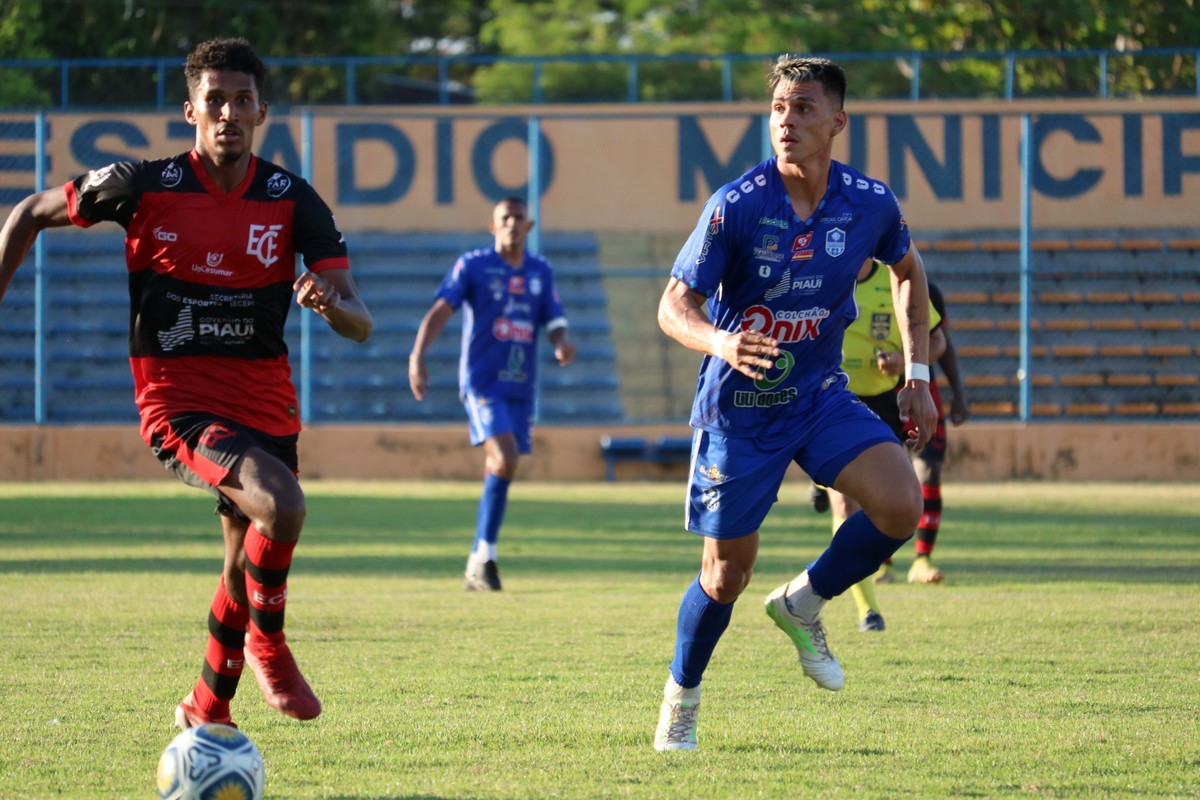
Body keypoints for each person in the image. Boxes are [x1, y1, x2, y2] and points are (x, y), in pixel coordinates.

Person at [0, 37, 373, 730]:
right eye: (214, 100)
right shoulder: (142, 185)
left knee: (241, 564)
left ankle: (207, 708)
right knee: (282, 505)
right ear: (190, 111)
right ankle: (270, 641)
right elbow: (28, 213)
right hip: (180, 404)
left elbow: (360, 321)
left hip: (267, 406)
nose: (228, 112)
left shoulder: (293, 200)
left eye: (241, 100)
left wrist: (329, 302)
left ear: (261, 111)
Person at [652, 54, 938, 752]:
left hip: (817, 395)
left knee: (900, 503)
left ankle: (803, 602)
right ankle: (681, 698)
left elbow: (909, 273)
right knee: (725, 577)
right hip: (740, 412)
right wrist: (720, 342)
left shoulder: (870, 202)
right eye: (779, 108)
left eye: (805, 108)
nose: (787, 120)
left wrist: (920, 376)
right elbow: (672, 305)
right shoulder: (737, 205)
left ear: (837, 121)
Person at [408, 197, 575, 591]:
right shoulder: (473, 266)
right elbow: (440, 310)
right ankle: (486, 557)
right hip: (482, 382)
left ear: (529, 226)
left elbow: (554, 320)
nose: (512, 225)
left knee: (503, 466)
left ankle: (479, 560)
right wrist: (418, 356)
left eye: (519, 219)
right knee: (505, 457)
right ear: (492, 225)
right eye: (505, 218)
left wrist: (562, 342)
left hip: (520, 385)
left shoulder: (540, 271)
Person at [819, 260, 947, 633]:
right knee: (845, 502)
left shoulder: (897, 279)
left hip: (885, 402)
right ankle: (867, 610)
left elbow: (936, 338)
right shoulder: (824, 274)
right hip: (833, 398)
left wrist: (907, 366)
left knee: (894, 501)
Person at [873, 278, 971, 586]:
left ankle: (923, 558)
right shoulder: (853, 283)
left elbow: (941, 342)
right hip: (876, 396)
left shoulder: (925, 291)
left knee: (928, 471)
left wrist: (959, 393)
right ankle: (881, 562)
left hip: (919, 393)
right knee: (878, 478)